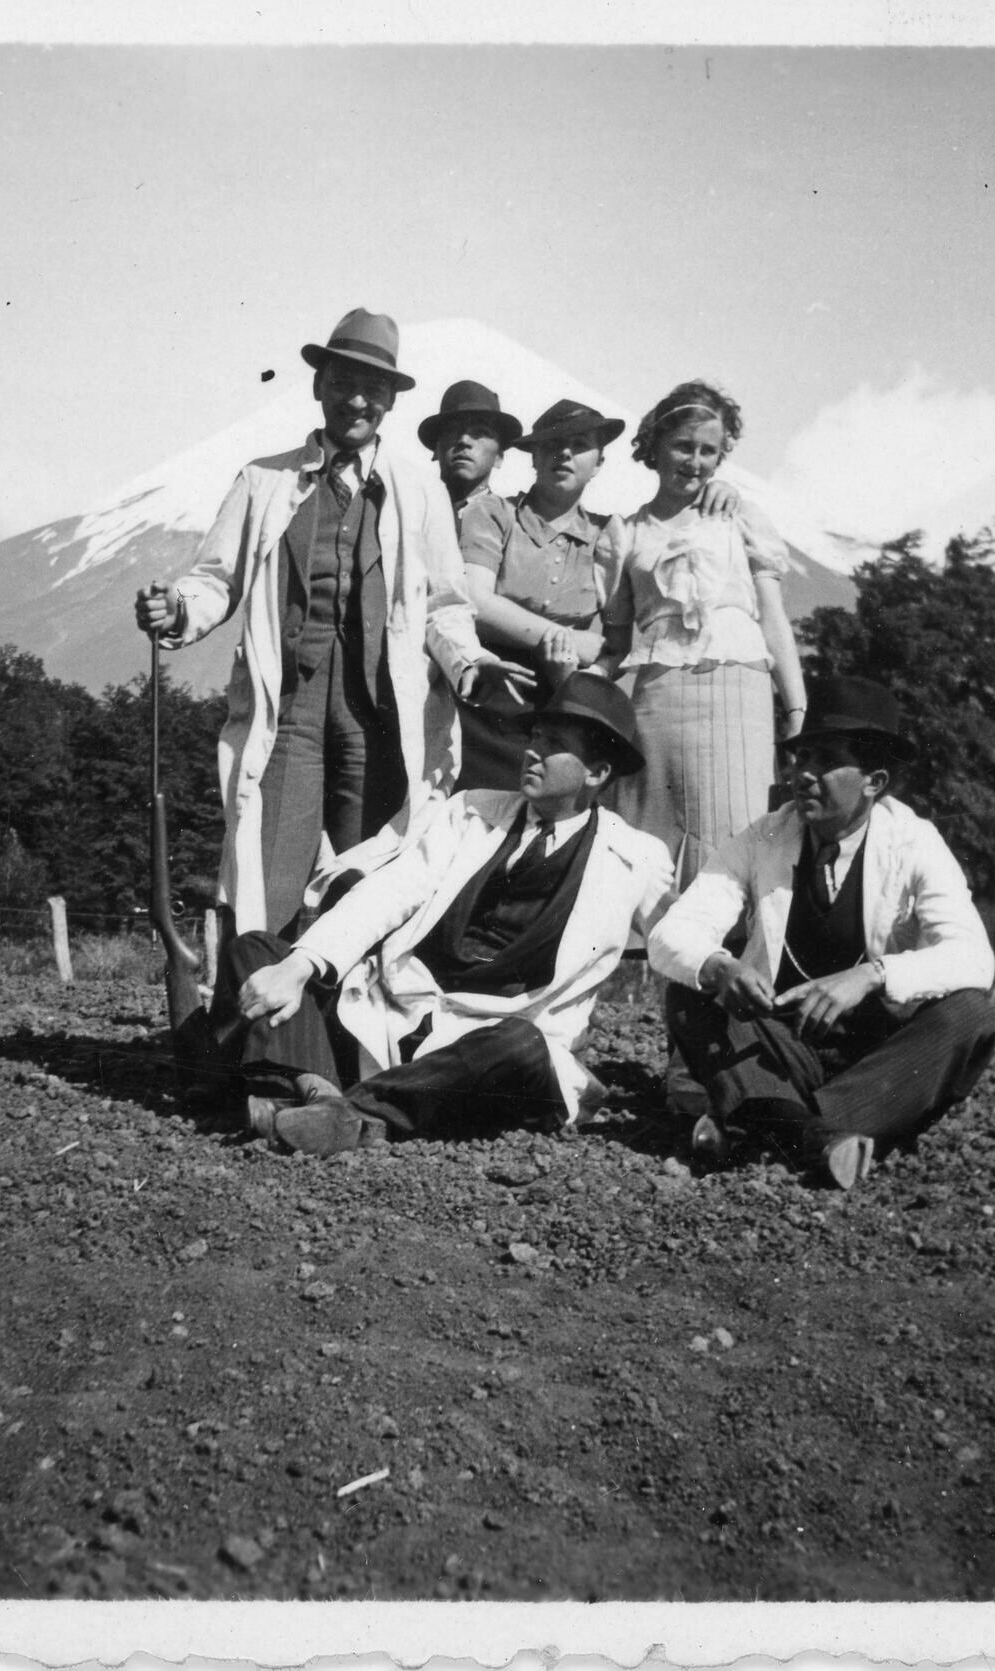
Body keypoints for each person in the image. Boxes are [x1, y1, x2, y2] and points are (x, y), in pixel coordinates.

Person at [134, 309, 489, 943]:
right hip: (289, 714)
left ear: (390, 400)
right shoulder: (263, 480)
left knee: (369, 877)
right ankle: (253, 1025)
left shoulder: (418, 491)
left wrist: (468, 664)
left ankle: (346, 1037)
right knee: (267, 872)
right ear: (319, 384)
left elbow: (443, 604)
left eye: (374, 388)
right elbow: (216, 578)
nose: (358, 399)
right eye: (345, 381)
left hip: (379, 719)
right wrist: (179, 608)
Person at [215, 673, 675, 1155]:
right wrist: (298, 965)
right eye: (534, 737)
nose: (532, 751)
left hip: (485, 1051)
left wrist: (722, 967)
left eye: (553, 744)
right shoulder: (470, 812)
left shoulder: (636, 856)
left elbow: (678, 939)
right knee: (257, 950)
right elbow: (390, 891)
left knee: (520, 1046)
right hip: (395, 1013)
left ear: (597, 773)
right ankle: (326, 1099)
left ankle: (327, 1105)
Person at [648, 675, 995, 1191]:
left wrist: (873, 975)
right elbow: (674, 931)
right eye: (799, 757)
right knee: (689, 989)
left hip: (875, 1055)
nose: (803, 774)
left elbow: (974, 957)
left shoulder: (914, 841)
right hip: (779, 1047)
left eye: (825, 759)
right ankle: (824, 1139)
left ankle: (765, 1124)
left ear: (874, 781)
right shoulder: (762, 836)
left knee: (972, 1012)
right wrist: (721, 967)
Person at [594, 379, 808, 882]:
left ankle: (733, 953)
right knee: (653, 834)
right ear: (655, 447)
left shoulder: (739, 518)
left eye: (707, 451)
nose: (694, 462)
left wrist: (796, 708)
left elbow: (772, 618)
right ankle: (656, 955)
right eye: (683, 446)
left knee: (738, 829)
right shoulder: (626, 533)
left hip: (737, 691)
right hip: (660, 697)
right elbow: (616, 641)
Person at [452, 398, 626, 792]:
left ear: (599, 463)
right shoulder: (494, 513)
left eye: (580, 444)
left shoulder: (608, 537)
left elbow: (617, 644)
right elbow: (476, 602)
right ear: (533, 457)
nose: (563, 453)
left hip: (559, 705)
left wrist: (578, 678)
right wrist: (571, 640)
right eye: (551, 444)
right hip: (486, 695)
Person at [417, 378, 521, 516]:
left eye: (480, 433)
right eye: (452, 430)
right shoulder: (412, 511)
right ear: (436, 449)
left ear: (499, 456)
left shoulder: (511, 523)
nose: (463, 440)